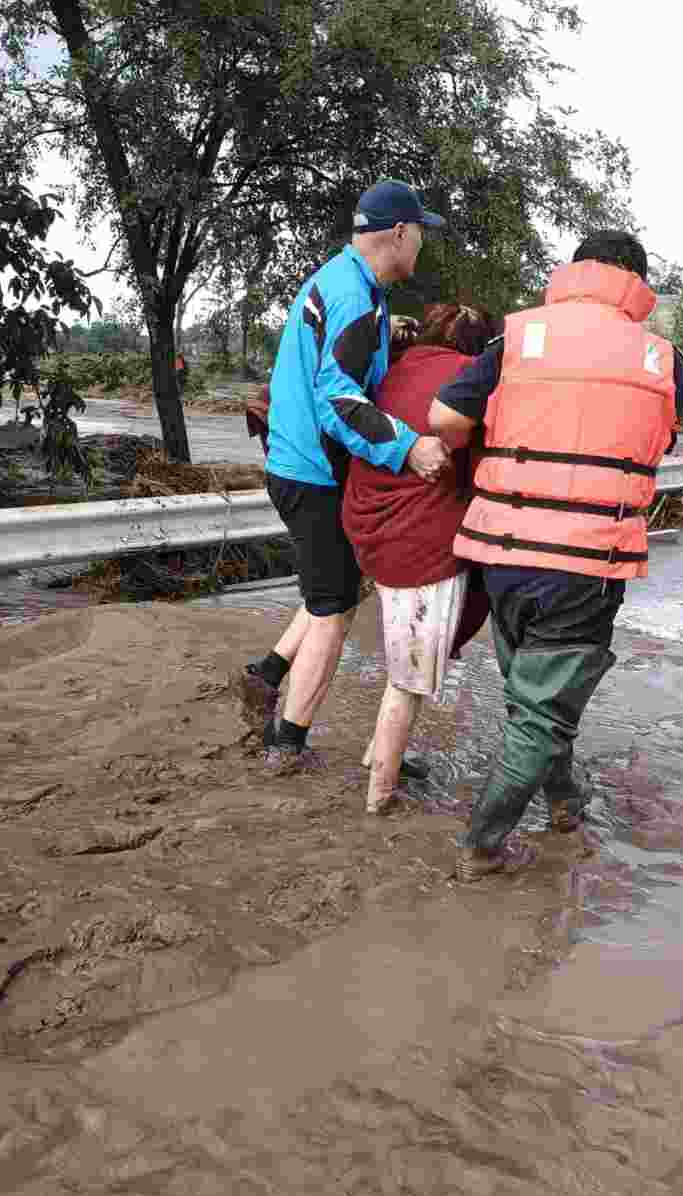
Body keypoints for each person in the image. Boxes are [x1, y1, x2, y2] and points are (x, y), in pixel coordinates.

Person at [428, 231, 683, 882]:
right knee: (542, 709)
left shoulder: (515, 337)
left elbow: (443, 419)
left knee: (534, 696)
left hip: (505, 554)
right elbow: (665, 432)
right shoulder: (664, 359)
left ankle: (565, 805)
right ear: (635, 281)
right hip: (586, 562)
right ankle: (480, 846)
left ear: (574, 270)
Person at [234, 180, 451, 769]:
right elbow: (339, 399)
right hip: (312, 472)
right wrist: (407, 448)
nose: (422, 248)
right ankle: (287, 743)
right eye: (421, 236)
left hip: (296, 461)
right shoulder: (356, 298)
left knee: (337, 586)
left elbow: (343, 355)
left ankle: (269, 672)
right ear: (400, 234)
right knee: (333, 608)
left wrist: (390, 334)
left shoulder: (347, 282)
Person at [342, 304, 497, 813]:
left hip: (368, 530)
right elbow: (482, 469)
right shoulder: (467, 381)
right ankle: (379, 795)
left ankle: (376, 758)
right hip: (420, 544)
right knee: (408, 679)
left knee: (403, 657)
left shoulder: (394, 367)